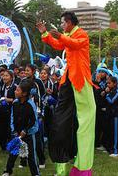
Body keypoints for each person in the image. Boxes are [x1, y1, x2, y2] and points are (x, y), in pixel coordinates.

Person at [36, 11, 96, 175]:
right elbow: (58, 45)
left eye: (62, 23)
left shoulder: (81, 34)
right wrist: (45, 33)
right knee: (64, 118)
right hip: (70, 79)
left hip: (80, 78)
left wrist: (60, 36)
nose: (61, 26)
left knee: (86, 117)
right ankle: (63, 160)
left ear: (69, 22)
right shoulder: (67, 35)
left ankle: (81, 164)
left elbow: (74, 44)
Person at [2, 79, 39, 176]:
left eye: (17, 90)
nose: (15, 91)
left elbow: (33, 120)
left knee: (31, 155)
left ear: (24, 93)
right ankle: (8, 171)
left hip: (29, 134)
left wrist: (25, 130)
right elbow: (12, 117)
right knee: (13, 153)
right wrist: (14, 130)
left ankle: (35, 173)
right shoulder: (15, 103)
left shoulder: (30, 104)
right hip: (16, 133)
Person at [0, 70, 16, 151]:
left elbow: (16, 99)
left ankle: (11, 145)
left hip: (11, 111)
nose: (4, 77)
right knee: (2, 128)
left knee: (10, 129)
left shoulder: (15, 87)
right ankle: (3, 146)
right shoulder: (2, 86)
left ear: (11, 78)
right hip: (2, 110)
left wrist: (7, 99)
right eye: (3, 76)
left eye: (6, 76)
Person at [105, 76, 118, 157]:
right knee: (110, 132)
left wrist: (107, 94)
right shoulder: (111, 91)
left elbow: (111, 101)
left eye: (109, 83)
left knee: (115, 133)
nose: (107, 85)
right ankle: (109, 149)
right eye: (107, 83)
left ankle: (115, 151)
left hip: (115, 115)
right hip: (110, 115)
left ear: (115, 83)